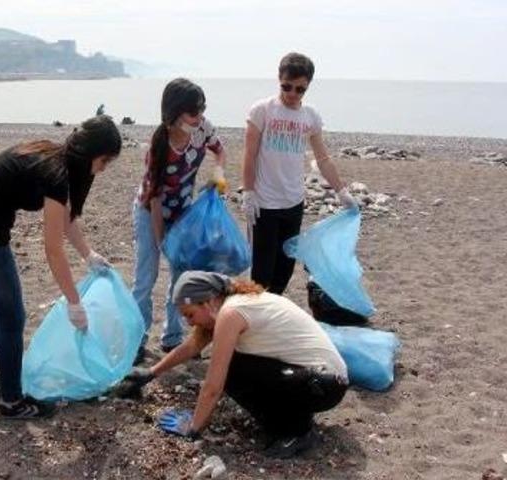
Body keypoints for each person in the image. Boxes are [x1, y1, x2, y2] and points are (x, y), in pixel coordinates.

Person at [0, 115, 122, 419]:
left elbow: (67, 218)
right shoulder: (57, 174)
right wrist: (74, 302)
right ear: (90, 153)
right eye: (104, 161)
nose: (104, 168)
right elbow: (53, 249)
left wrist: (88, 254)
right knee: (12, 318)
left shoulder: (57, 159)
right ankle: (12, 402)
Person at [117, 271, 348, 458]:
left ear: (208, 302)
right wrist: (151, 372)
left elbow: (213, 384)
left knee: (230, 369)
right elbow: (191, 346)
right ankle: (292, 419)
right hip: (316, 379)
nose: (189, 323)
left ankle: (297, 432)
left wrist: (194, 428)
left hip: (324, 384)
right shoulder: (230, 305)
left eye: (190, 314)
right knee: (237, 365)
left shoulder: (231, 313)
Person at [241, 52, 356, 295]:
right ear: (279, 79)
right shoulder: (262, 110)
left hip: (293, 202)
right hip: (264, 204)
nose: (292, 93)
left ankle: (271, 313)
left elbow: (323, 159)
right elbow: (249, 155)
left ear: (308, 86)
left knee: (284, 270)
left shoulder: (310, 116)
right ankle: (255, 315)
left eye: (300, 89)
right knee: (261, 273)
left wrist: (342, 192)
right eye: (287, 86)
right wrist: (248, 193)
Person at [131, 78, 227, 363]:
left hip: (183, 212)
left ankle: (172, 338)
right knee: (146, 277)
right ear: (173, 113)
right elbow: (154, 200)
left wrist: (218, 174)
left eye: (202, 109)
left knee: (181, 277)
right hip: (150, 212)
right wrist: (161, 239)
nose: (199, 117)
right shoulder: (158, 147)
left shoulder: (203, 129)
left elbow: (220, 151)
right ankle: (137, 340)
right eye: (193, 112)